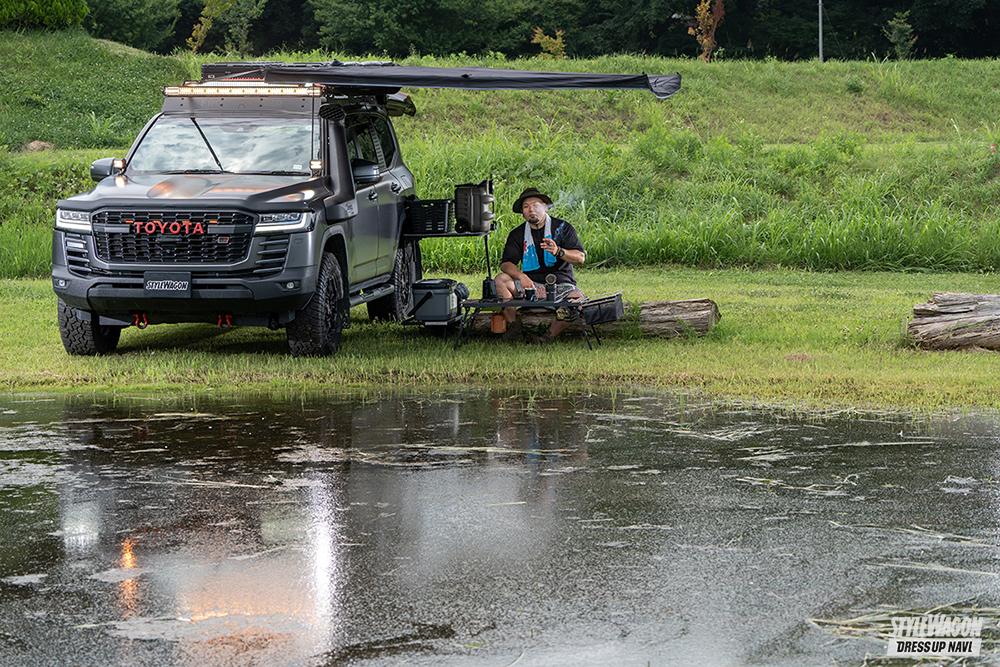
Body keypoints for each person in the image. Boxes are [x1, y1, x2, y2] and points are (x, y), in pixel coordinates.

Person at [496, 187, 586, 341]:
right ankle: (514, 327)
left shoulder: (562, 228)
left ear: (545, 207)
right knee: (500, 280)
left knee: (578, 300)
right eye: (526, 206)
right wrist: (520, 276)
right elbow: (506, 263)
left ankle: (546, 337)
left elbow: (580, 258)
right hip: (530, 287)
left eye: (536, 205)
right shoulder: (517, 234)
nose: (531, 209)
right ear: (522, 213)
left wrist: (559, 251)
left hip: (561, 286)